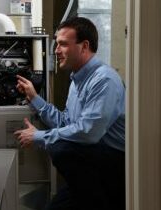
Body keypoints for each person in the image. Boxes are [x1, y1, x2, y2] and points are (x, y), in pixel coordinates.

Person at [14, 17, 125, 210]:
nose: (56, 50)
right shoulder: (76, 79)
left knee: (61, 148)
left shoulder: (104, 80)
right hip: (91, 160)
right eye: (57, 44)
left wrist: (39, 137)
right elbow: (66, 122)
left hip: (114, 163)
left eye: (63, 44)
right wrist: (34, 98)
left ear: (84, 46)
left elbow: (88, 132)